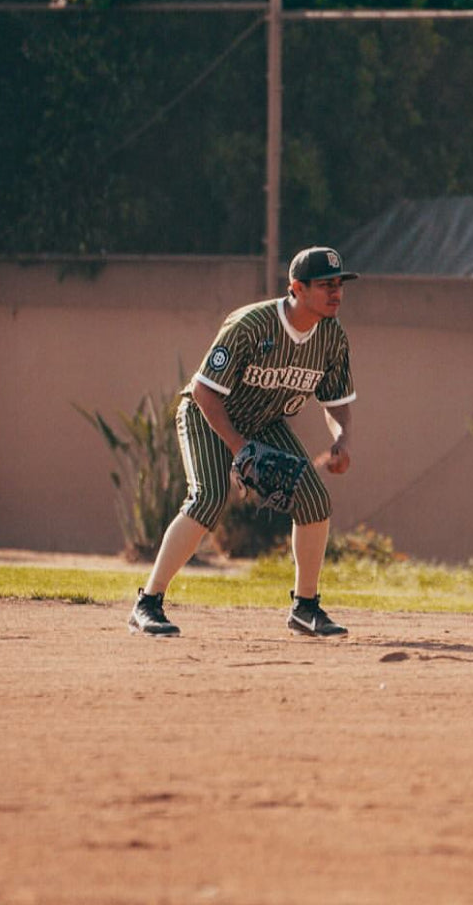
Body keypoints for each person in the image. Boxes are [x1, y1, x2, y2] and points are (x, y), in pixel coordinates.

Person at [129, 245, 359, 639]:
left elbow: (335, 402)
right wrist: (240, 449)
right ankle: (147, 603)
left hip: (264, 421)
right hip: (209, 415)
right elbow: (204, 392)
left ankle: (305, 608)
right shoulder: (252, 325)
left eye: (339, 284)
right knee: (208, 497)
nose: (336, 292)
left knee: (316, 502)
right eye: (325, 285)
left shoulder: (332, 337)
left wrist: (342, 439)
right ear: (297, 289)